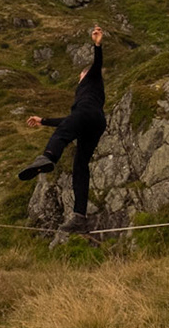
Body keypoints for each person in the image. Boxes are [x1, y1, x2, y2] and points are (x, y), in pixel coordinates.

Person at [17, 25, 106, 235]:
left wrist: (97, 44)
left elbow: (98, 63)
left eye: (79, 77)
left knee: (62, 136)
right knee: (80, 167)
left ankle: (47, 157)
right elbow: (70, 121)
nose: (78, 80)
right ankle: (79, 216)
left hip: (86, 115)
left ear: (84, 75)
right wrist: (43, 121)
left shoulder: (92, 77)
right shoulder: (92, 94)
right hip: (96, 122)